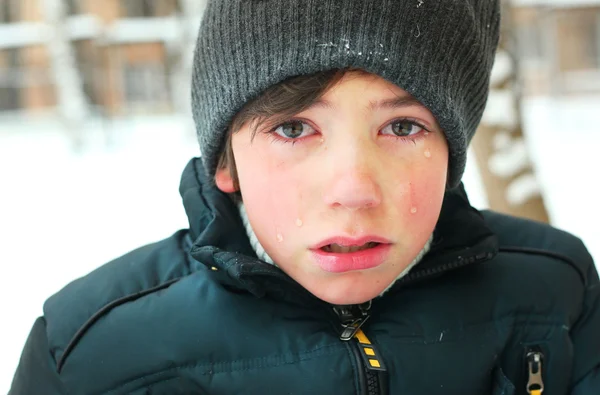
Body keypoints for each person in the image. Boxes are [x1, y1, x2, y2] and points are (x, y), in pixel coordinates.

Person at [10, 0, 599, 394]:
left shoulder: (556, 294)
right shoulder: (89, 350)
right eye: (293, 129)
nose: (353, 191)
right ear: (226, 161)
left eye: (402, 128)